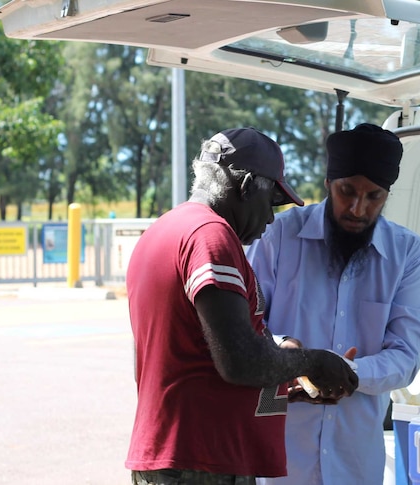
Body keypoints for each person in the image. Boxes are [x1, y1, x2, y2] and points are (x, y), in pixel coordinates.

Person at [125, 127, 359, 485]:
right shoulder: (211, 235)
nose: (270, 219)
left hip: (174, 454)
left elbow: (196, 357)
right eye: (271, 202)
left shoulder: (163, 230)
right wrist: (314, 361)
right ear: (248, 186)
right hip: (202, 460)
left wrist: (286, 373)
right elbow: (240, 361)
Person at [246, 123, 420, 485]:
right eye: (347, 191)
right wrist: (288, 356)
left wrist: (348, 373)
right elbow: (247, 327)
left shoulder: (407, 253)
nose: (358, 208)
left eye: (374, 196)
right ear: (329, 182)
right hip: (278, 459)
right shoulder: (279, 235)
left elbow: (407, 355)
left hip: (355, 463)